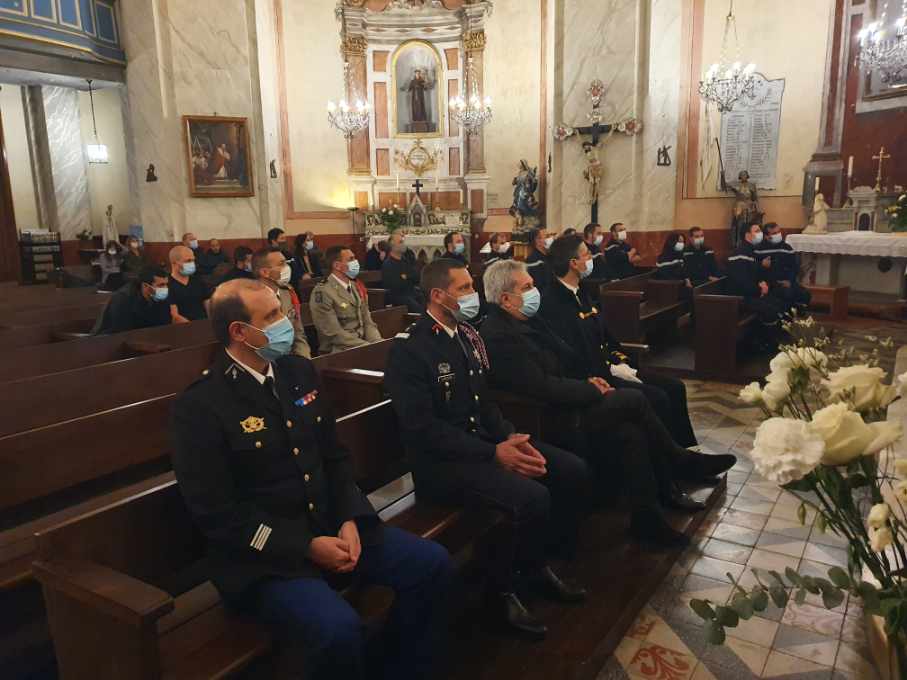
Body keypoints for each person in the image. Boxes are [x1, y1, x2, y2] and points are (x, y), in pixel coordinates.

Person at [170, 279, 452, 680]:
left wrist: (351, 517)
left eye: (283, 311)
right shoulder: (201, 406)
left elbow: (333, 458)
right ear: (238, 332)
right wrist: (305, 546)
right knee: (337, 630)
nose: (286, 322)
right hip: (267, 560)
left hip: (332, 526)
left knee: (432, 565)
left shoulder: (297, 372)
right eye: (272, 316)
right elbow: (218, 514)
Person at [385, 258, 590, 640]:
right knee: (530, 497)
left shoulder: (466, 336)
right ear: (437, 295)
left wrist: (510, 437)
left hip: (482, 446)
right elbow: (423, 429)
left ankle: (535, 565)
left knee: (567, 468)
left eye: (471, 286)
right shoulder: (411, 351)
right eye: (463, 289)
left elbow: (484, 403)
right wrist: (492, 453)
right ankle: (500, 594)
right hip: (442, 465)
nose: (473, 295)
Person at [480, 260, 735, 546]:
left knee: (631, 433)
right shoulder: (499, 336)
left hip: (569, 403)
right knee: (635, 400)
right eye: (527, 287)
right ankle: (679, 459)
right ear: (505, 298)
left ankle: (647, 521)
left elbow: (568, 358)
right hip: (550, 418)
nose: (534, 291)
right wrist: (591, 391)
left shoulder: (528, 321)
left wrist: (590, 379)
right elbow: (541, 386)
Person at [540, 235, 699, 449]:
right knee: (658, 397)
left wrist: (622, 362)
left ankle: (687, 450)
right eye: (586, 254)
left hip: (612, 367)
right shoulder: (553, 301)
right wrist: (610, 368)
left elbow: (606, 336)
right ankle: (671, 458)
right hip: (596, 377)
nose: (591, 258)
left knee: (675, 386)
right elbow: (573, 352)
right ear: (573, 263)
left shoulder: (583, 292)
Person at [310, 246, 382, 354]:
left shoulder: (355, 286)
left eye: (355, 258)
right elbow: (333, 333)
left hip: (362, 344)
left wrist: (378, 343)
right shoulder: (323, 292)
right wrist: (367, 347)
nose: (356, 262)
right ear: (337, 265)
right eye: (351, 259)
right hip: (339, 350)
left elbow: (367, 322)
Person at [727, 224, 787, 350]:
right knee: (770, 309)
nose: (760, 234)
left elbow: (755, 274)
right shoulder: (739, 254)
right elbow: (741, 281)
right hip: (740, 297)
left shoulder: (751, 251)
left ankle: (769, 340)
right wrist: (759, 290)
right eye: (757, 231)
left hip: (751, 293)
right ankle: (766, 344)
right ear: (747, 235)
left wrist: (763, 283)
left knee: (779, 302)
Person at [252, 247, 311, 359]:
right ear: (265, 272)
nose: (287, 268)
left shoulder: (287, 293)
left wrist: (304, 359)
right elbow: (256, 344)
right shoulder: (252, 301)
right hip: (268, 361)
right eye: (281, 264)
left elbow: (298, 333)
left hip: (292, 358)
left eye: (286, 263)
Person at [95, 265, 172, 334]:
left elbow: (165, 324)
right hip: (109, 340)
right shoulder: (123, 299)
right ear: (145, 286)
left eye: (166, 284)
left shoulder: (161, 297)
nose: (165, 288)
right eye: (161, 285)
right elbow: (121, 332)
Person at [756, 223, 811, 313]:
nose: (778, 235)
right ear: (766, 236)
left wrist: (790, 281)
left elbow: (794, 267)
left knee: (805, 294)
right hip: (769, 284)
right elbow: (757, 271)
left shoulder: (787, 248)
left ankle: (799, 321)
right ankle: (786, 321)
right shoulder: (759, 250)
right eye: (774, 233)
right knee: (786, 294)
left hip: (787, 281)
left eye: (779, 232)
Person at [382, 231, 423, 313]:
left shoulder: (405, 260)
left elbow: (417, 277)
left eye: (403, 242)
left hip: (412, 292)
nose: (403, 244)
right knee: (418, 309)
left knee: (429, 301)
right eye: (400, 242)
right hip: (398, 296)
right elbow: (395, 285)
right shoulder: (388, 264)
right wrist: (408, 277)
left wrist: (406, 277)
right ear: (392, 246)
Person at [168, 245, 210, 322]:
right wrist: (192, 327)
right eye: (188, 261)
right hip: (184, 327)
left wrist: (211, 320)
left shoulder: (198, 280)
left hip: (203, 323)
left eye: (193, 260)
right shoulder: (168, 284)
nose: (192, 264)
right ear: (174, 263)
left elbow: (207, 303)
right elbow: (175, 315)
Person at [525, 227, 554, 291]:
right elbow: (538, 284)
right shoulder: (532, 259)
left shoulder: (549, 255)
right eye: (546, 237)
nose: (550, 239)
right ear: (537, 240)